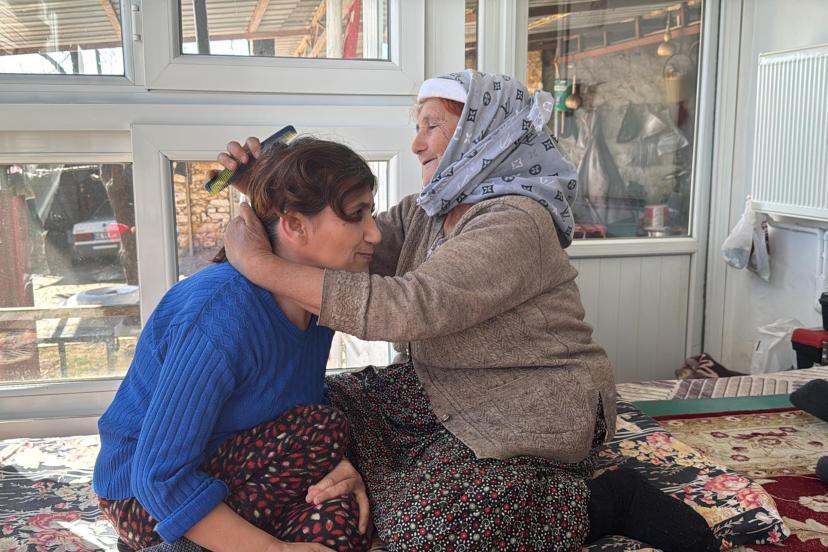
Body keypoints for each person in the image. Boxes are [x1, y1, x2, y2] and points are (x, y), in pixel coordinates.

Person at [218, 70, 720, 551]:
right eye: (417, 127)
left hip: (527, 404)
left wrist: (258, 263)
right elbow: (346, 250)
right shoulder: (428, 210)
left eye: (431, 126)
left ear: (487, 132)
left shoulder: (516, 219)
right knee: (310, 414)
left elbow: (410, 307)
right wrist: (273, 193)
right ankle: (384, 478)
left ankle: (606, 501)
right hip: (437, 388)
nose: (416, 144)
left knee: (424, 530)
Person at [92, 137, 379, 552]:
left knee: (340, 522)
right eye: (357, 215)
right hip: (141, 496)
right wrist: (275, 550)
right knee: (324, 428)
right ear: (295, 225)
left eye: (371, 213)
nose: (375, 233)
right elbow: (158, 477)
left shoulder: (317, 304)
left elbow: (292, 401)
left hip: (236, 463)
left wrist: (334, 467)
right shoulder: (221, 313)